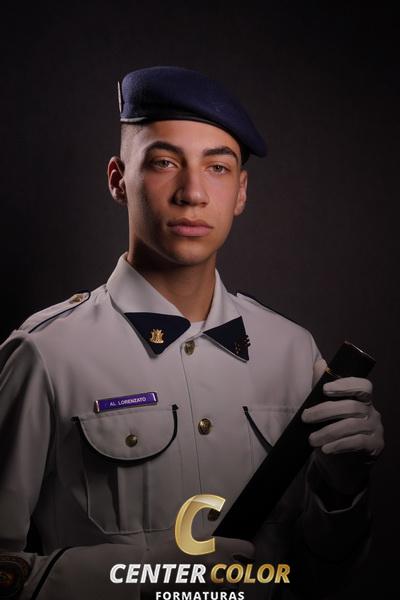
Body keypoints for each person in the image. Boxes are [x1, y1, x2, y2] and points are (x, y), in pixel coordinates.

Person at [0, 66, 384, 600]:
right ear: (118, 179)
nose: (193, 193)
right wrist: (146, 576)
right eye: (164, 162)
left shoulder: (293, 353)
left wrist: (343, 490)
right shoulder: (46, 354)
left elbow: (322, 579)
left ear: (241, 191)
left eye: (218, 167)